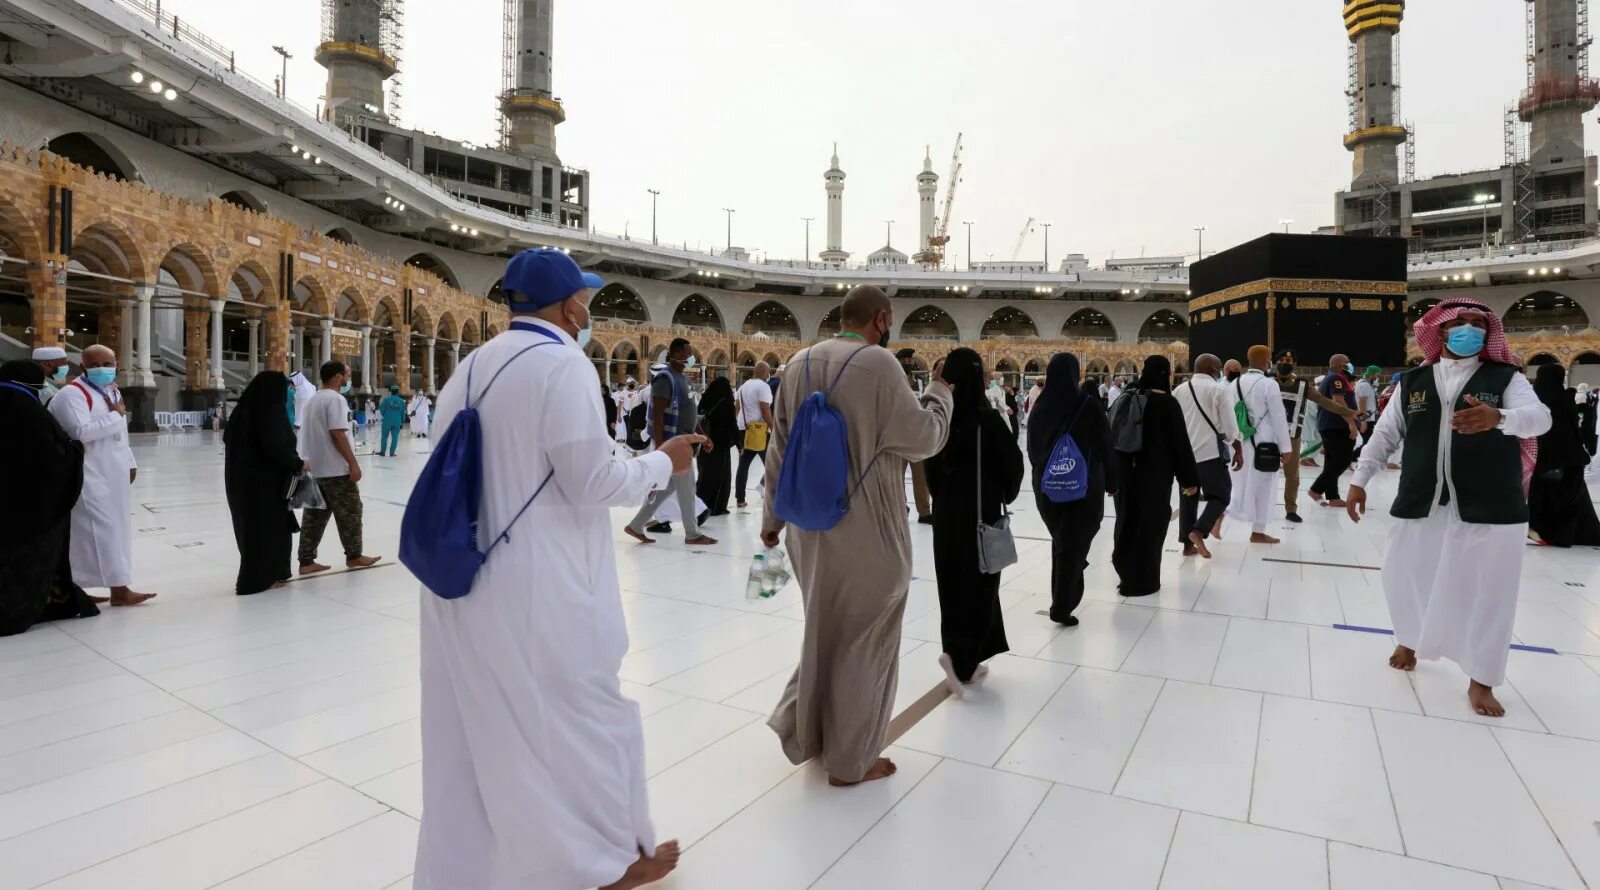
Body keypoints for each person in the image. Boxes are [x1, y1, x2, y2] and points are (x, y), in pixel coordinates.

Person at [415, 249, 701, 890]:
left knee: (478, 736)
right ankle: (608, 862)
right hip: (541, 587)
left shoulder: (470, 366)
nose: (588, 311)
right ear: (571, 306)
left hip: (465, 580)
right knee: (586, 720)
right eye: (587, 301)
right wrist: (663, 462)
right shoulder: (562, 365)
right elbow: (592, 480)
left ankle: (485, 872)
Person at [761, 285, 952, 786]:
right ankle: (851, 760)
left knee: (824, 630)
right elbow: (924, 439)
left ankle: (806, 733)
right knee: (864, 643)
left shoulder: (798, 362)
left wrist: (770, 520)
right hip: (868, 531)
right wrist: (940, 395)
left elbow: (778, 448)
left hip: (807, 529)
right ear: (882, 319)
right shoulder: (879, 364)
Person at [1347, 298, 1549, 718]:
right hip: (1422, 497)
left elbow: (1540, 418)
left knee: (1490, 593)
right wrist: (1359, 480)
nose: (1470, 330)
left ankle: (1483, 679)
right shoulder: (1414, 381)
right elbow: (1385, 436)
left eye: (1479, 323)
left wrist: (1500, 418)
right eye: (1461, 323)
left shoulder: (1505, 377)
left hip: (1491, 505)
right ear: (1439, 331)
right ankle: (1410, 636)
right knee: (1404, 576)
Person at [925, 349, 1024, 696]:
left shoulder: (940, 417)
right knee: (981, 586)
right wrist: (1003, 493)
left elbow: (929, 466)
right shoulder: (988, 420)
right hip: (981, 515)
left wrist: (944, 496)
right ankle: (960, 662)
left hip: (947, 514)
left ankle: (967, 652)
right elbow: (1013, 466)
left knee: (952, 583)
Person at [47, 345, 155, 606]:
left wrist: (129, 462)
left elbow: (121, 435)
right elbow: (82, 432)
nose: (102, 369)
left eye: (108, 363)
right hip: (87, 474)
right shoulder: (72, 395)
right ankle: (119, 590)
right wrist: (117, 415)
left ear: (116, 362)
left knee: (115, 529)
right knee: (100, 530)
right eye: (95, 365)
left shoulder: (111, 389)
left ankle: (80, 588)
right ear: (82, 367)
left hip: (113, 473)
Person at [0, 360, 99, 636]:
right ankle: (18, 611)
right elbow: (53, 460)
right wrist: (76, 451)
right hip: (31, 510)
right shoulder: (30, 413)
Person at [1029, 353, 1113, 625]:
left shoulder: (1040, 406)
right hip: (1083, 487)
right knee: (1072, 545)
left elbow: (1032, 448)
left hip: (1047, 487)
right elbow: (1105, 445)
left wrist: (1047, 470)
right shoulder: (1087, 403)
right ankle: (1062, 604)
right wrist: (1113, 480)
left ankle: (1064, 595)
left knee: (1063, 542)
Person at [1111, 356, 1200, 596]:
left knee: (1126, 521)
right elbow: (1180, 446)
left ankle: (1125, 574)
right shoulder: (1167, 404)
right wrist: (1189, 480)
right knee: (1150, 525)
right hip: (1155, 477)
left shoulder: (1126, 398)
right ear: (1167, 375)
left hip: (1125, 475)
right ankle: (1144, 580)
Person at [225, 371, 310, 595]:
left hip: (242, 483)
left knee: (253, 530)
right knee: (267, 530)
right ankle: (261, 578)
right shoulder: (270, 412)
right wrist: (298, 463)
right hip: (264, 485)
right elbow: (276, 446)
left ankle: (270, 573)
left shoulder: (243, 411)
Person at [625, 339, 715, 545]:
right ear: (678, 354)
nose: (691, 357)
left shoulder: (684, 379)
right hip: (674, 445)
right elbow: (658, 415)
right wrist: (662, 448)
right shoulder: (665, 379)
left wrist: (703, 436)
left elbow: (691, 413)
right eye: (688, 353)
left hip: (683, 442)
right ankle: (692, 534)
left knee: (667, 489)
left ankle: (636, 525)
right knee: (688, 488)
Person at [297, 360, 380, 575]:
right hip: (336, 470)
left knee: (314, 516)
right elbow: (337, 433)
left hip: (315, 468)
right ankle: (354, 556)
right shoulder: (336, 399)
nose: (348, 379)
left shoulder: (312, 400)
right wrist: (353, 463)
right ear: (337, 377)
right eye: (347, 375)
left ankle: (306, 561)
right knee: (351, 512)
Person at [1172, 354, 1243, 558]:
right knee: (1221, 495)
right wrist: (1237, 448)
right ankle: (1198, 531)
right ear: (1213, 369)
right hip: (1209, 456)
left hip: (1184, 458)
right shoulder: (1219, 389)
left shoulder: (1178, 390)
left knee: (1188, 499)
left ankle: (1187, 546)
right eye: (1219, 367)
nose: (1220, 371)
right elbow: (1230, 428)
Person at [1274, 349, 1357, 521]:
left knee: (1292, 476)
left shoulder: (1303, 385)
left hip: (1292, 435)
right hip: (1268, 434)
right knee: (1262, 474)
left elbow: (1325, 401)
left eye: (1289, 361)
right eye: (1281, 360)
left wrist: (1349, 412)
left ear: (1294, 364)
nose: (1285, 363)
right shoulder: (1268, 382)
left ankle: (1291, 509)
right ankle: (1259, 510)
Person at [1527, 364, 1600, 547]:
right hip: (1569, 459)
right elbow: (1575, 428)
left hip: (1542, 459)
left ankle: (1540, 530)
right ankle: (1568, 534)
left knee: (1543, 497)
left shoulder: (1534, 401)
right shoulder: (1566, 398)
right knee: (1571, 498)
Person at [1227, 345, 1292, 544]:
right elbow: (1279, 416)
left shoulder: (1235, 383)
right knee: (1264, 486)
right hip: (1264, 444)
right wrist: (1286, 448)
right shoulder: (1268, 384)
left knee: (1241, 484)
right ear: (1266, 362)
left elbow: (1229, 414)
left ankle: (1218, 516)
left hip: (1240, 442)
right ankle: (1258, 531)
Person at [1307, 354, 1363, 509]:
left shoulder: (1332, 378)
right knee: (1343, 461)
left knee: (1332, 462)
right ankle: (1316, 489)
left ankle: (1333, 497)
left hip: (1330, 425)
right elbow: (1338, 400)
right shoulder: (1336, 379)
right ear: (1340, 365)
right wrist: (1351, 424)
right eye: (1347, 363)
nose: (1350, 365)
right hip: (1337, 425)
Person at [897, 349, 934, 525]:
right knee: (897, 476)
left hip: (916, 435)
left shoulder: (919, 383)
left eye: (909, 359)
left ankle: (924, 512)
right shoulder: (894, 382)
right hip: (897, 436)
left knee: (921, 476)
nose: (907, 362)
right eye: (904, 359)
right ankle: (900, 506)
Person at [734, 362, 775, 509]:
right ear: (764, 371)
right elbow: (765, 409)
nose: (768, 374)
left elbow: (737, 407)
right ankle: (773, 497)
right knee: (771, 465)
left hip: (743, 429)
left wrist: (741, 423)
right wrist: (773, 428)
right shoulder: (763, 386)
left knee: (743, 465)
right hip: (759, 431)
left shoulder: (743, 386)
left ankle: (740, 499)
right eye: (768, 371)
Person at [695, 375, 737, 517]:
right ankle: (717, 507)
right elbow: (732, 425)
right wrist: (739, 444)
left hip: (704, 441)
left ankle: (700, 506)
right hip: (720, 444)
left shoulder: (705, 398)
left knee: (705, 475)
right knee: (721, 476)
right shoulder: (726, 402)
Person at [378, 384, 407, 456]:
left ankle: (382, 452)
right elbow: (403, 413)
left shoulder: (386, 400)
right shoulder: (401, 401)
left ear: (391, 392)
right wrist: (402, 421)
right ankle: (392, 453)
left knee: (384, 437)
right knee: (395, 438)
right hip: (397, 422)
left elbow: (381, 410)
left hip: (387, 421)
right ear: (397, 392)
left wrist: (386, 415)